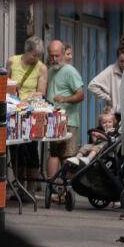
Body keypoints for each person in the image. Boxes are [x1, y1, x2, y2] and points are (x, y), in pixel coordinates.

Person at [45, 39, 84, 181]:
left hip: (69, 121)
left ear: (63, 54)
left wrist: (64, 99)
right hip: (53, 121)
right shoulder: (50, 71)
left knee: (68, 156)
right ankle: (52, 188)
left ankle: (67, 189)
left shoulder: (70, 71)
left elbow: (80, 95)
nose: (54, 59)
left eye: (57, 55)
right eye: (51, 56)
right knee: (54, 154)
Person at [89, 36, 124, 116]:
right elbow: (92, 86)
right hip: (116, 115)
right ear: (117, 59)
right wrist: (108, 97)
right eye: (121, 61)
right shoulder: (111, 70)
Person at [7, 37, 46, 102]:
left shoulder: (41, 68)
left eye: (39, 56)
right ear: (26, 50)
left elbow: (42, 93)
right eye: (34, 55)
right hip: (13, 103)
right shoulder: (12, 61)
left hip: (29, 104)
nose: (37, 58)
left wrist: (33, 95)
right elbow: (5, 83)